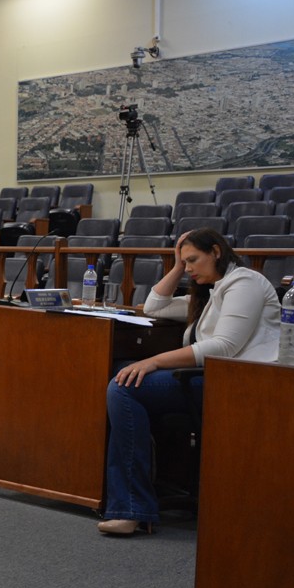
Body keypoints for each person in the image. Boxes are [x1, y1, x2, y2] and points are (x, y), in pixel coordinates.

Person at [99, 228, 279, 536]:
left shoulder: (244, 283)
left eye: (193, 260)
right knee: (122, 370)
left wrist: (155, 361)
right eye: (185, 263)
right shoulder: (212, 293)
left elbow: (224, 347)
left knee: (124, 387)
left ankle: (131, 508)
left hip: (239, 384)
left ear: (216, 252)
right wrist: (177, 266)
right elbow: (154, 306)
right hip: (210, 378)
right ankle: (138, 495)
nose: (189, 269)